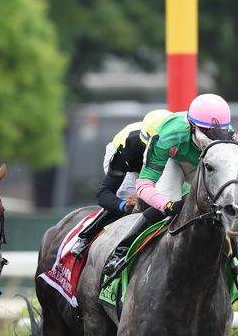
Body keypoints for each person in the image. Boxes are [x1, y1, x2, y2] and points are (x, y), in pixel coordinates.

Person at [103, 94, 234, 279]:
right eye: (205, 132)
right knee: (169, 208)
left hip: (204, 164)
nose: (211, 138)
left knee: (220, 207)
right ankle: (121, 251)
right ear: (191, 125)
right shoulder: (168, 135)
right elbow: (144, 185)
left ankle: (234, 268)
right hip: (176, 162)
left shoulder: (229, 136)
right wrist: (167, 204)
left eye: (217, 132)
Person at [70, 108, 172, 257]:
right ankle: (86, 237)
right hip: (129, 164)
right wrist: (123, 205)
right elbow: (104, 193)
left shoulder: (180, 142)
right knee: (133, 203)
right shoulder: (128, 150)